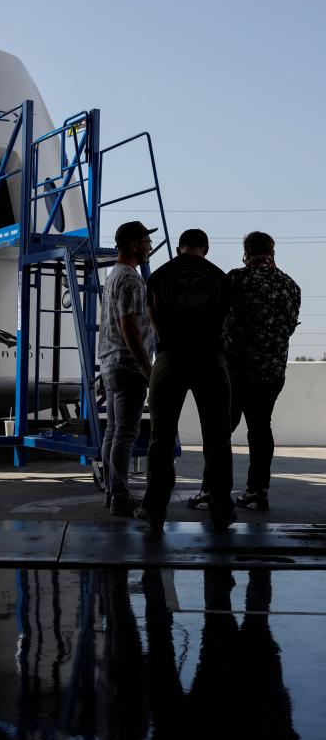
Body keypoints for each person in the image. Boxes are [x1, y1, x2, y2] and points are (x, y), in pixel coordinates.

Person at [189, 231, 301, 511]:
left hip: (234, 371)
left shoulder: (235, 279)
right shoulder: (290, 286)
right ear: (272, 252)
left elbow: (215, 318)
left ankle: (211, 490)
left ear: (246, 253)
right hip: (272, 372)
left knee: (221, 430)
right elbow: (287, 328)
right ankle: (257, 491)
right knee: (261, 428)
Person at [134, 229, 235, 530]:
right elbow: (226, 319)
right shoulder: (221, 277)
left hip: (170, 358)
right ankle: (222, 509)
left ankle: (154, 510)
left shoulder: (160, 275)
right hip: (211, 359)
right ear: (206, 247)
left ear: (179, 248)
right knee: (217, 439)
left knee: (161, 439)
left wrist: (168, 341)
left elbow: (152, 317)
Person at [98, 221, 156, 515]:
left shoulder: (113, 275)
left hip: (110, 362)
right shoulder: (132, 279)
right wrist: (147, 367)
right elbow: (129, 326)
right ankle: (120, 497)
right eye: (146, 241)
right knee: (125, 434)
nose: (149, 247)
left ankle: (112, 492)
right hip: (128, 365)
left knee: (113, 432)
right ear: (134, 244)